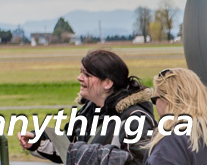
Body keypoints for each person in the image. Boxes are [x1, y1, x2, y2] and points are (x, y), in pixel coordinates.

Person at [21, 49, 156, 165]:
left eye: (87, 74)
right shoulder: (89, 111)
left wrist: (88, 154)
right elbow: (69, 147)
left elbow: (139, 161)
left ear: (107, 83)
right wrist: (37, 141)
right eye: (81, 72)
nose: (79, 78)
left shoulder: (136, 119)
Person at [148, 68, 207, 165]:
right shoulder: (201, 132)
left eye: (154, 100)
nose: (155, 105)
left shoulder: (169, 146)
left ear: (168, 100)